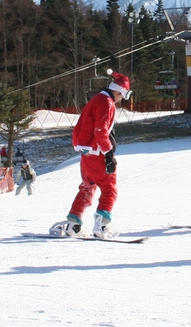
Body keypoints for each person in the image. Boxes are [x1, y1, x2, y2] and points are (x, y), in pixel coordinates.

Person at [50, 70, 131, 239]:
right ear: (118, 91)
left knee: (87, 187)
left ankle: (74, 223)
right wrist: (108, 154)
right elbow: (100, 130)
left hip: (86, 154)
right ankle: (101, 225)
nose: (122, 99)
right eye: (124, 95)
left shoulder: (96, 99)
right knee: (109, 189)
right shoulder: (107, 103)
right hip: (99, 153)